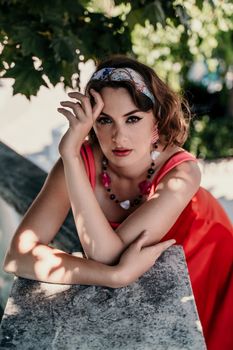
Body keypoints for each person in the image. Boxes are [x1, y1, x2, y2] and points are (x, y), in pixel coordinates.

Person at [3, 56, 233, 349]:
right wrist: (116, 275)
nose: (119, 136)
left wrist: (114, 270)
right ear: (91, 124)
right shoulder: (78, 161)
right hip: (148, 271)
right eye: (104, 120)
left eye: (133, 118)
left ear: (157, 122)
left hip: (209, 258)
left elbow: (105, 255)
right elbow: (18, 257)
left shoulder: (183, 172)